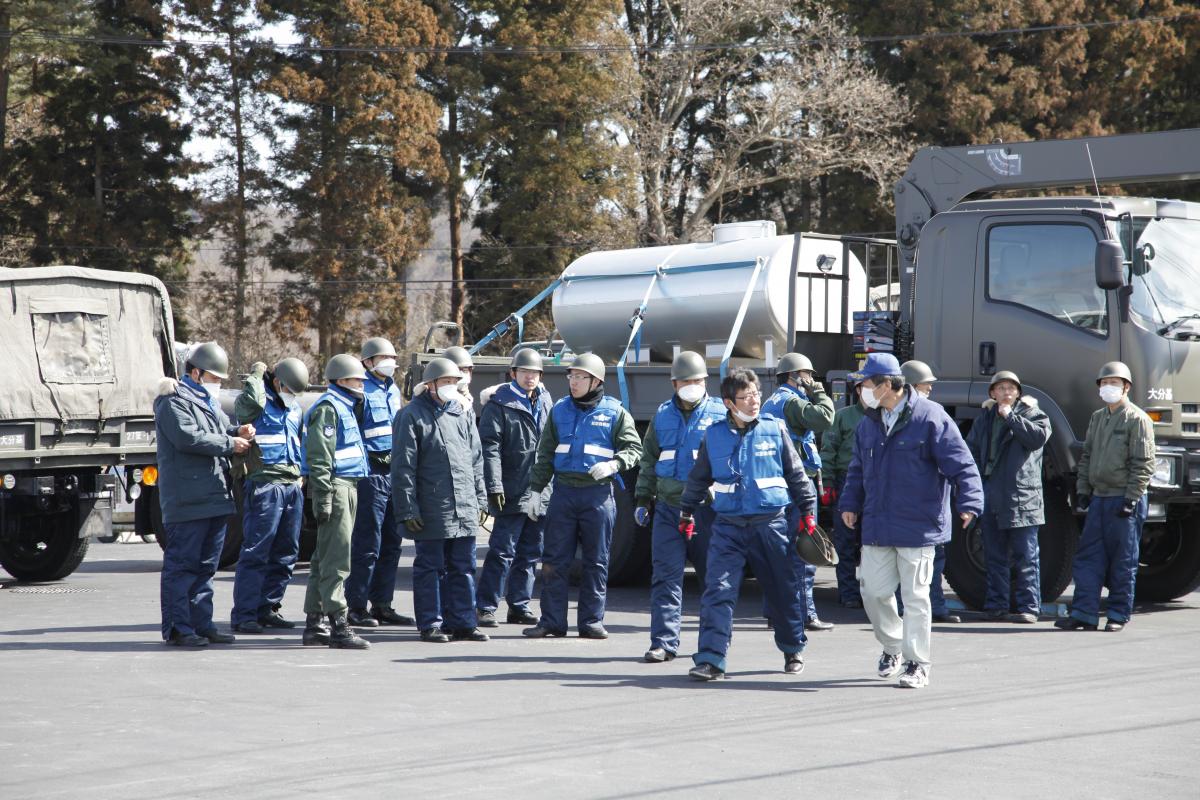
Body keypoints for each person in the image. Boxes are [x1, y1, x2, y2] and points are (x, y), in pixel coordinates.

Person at [840, 353, 983, 689]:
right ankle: (892, 646)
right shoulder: (868, 423)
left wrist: (970, 502)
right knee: (873, 592)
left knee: (916, 597)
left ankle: (917, 662)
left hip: (919, 526)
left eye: (865, 383)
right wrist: (850, 502)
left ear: (887, 385)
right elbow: (857, 469)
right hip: (878, 524)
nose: (860, 389)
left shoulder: (931, 417)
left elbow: (962, 464)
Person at [681, 368, 818, 681]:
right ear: (730, 403)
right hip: (728, 526)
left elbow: (796, 475)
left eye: (756, 394)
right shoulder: (713, 435)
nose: (754, 401)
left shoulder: (775, 429)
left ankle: (792, 647)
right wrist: (686, 513)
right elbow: (699, 478)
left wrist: (808, 512)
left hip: (771, 525)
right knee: (718, 589)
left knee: (783, 590)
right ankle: (711, 658)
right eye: (746, 397)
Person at [522, 353, 642, 639]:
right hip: (563, 493)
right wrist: (536, 491)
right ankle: (552, 621)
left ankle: (591, 621)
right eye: (571, 376)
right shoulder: (560, 410)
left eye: (579, 377)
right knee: (554, 560)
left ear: (596, 380)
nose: (573, 382)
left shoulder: (615, 413)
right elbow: (545, 454)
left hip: (597, 497)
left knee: (596, 561)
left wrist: (615, 464)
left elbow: (634, 450)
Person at [155, 341, 253, 647]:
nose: (218, 384)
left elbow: (224, 429)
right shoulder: (172, 401)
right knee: (182, 565)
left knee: (206, 567)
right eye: (214, 377)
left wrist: (240, 432)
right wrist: (229, 444)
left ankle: (202, 623)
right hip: (187, 499)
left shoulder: (207, 402)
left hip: (213, 495)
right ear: (195, 373)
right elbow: (188, 437)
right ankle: (178, 628)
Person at [634, 351, 725, 662]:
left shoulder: (720, 414)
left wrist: (724, 491)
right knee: (665, 576)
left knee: (713, 580)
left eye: (698, 380)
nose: (692, 386)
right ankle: (663, 642)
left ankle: (713, 647)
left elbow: (735, 458)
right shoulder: (662, 416)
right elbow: (649, 460)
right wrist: (643, 499)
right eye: (686, 381)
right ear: (674, 383)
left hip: (707, 511)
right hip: (669, 508)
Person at [393, 357, 489, 643]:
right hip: (433, 507)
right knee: (430, 567)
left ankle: (463, 622)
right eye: (446, 382)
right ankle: (431, 623)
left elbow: (476, 459)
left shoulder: (463, 413)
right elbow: (403, 467)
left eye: (454, 382)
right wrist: (407, 508)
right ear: (430, 385)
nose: (451, 387)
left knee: (464, 566)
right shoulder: (411, 416)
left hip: (464, 506)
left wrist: (480, 499)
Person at [1057, 361, 1155, 632]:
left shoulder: (1138, 420)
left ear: (1126, 387)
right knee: (1088, 558)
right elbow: (1087, 456)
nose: (1108, 387)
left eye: (1114, 383)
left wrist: (1132, 498)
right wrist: (1083, 491)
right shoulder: (1098, 417)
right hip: (1100, 498)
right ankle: (1084, 614)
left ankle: (1117, 614)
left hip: (1124, 499)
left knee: (1123, 560)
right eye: (1104, 383)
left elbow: (1144, 463)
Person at [229, 357, 309, 634]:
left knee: (287, 552)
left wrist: (302, 475)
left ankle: (268, 608)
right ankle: (245, 614)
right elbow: (248, 400)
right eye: (288, 388)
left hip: (291, 486)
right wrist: (258, 372)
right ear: (276, 382)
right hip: (265, 486)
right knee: (256, 552)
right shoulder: (257, 406)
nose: (292, 395)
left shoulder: (295, 408)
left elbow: (301, 442)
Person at [965, 371, 1051, 623]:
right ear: (992, 393)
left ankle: (1029, 607)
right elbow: (971, 451)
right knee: (994, 555)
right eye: (1000, 388)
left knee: (1026, 556)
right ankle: (996, 605)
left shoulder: (1034, 414)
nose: (1006, 393)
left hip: (1022, 496)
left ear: (1018, 393)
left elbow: (1037, 439)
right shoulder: (984, 419)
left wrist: (1011, 417)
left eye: (1011, 388)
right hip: (991, 493)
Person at [476, 348, 553, 628]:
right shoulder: (498, 404)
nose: (530, 377)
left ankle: (519, 605)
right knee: (502, 550)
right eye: (524, 372)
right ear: (513, 373)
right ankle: (485, 606)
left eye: (534, 373)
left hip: (539, 489)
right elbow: (490, 448)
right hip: (511, 488)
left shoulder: (545, 399)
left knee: (532, 551)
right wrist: (494, 485)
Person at [761, 352, 836, 632]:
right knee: (806, 549)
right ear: (796, 377)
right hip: (797, 483)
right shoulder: (793, 402)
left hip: (778, 481)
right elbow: (826, 418)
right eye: (809, 376)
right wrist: (819, 393)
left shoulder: (773, 401)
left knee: (779, 550)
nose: (812, 380)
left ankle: (773, 611)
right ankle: (805, 614)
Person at [301, 354, 371, 650]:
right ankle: (338, 624)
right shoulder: (329, 409)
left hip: (346, 486)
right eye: (357, 380)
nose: (361, 385)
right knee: (337, 558)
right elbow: (320, 457)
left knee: (323, 557)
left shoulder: (342, 407)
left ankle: (315, 623)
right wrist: (325, 494)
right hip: (337, 488)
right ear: (342, 381)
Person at [345, 337, 415, 629]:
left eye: (391, 357)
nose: (389, 362)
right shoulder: (360, 391)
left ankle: (382, 605)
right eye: (382, 357)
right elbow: (353, 432)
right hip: (371, 474)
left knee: (392, 542)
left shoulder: (393, 389)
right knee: (367, 543)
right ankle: (356, 606)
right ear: (367, 362)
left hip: (393, 474)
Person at [899, 359, 961, 624]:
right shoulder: (909, 417)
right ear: (912, 386)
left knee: (933, 558)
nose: (930, 390)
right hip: (915, 504)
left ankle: (933, 606)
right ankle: (916, 608)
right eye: (926, 386)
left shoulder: (929, 414)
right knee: (915, 560)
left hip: (930, 502)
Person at [817, 379, 866, 608]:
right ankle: (848, 592)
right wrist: (826, 483)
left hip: (875, 482)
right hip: (846, 480)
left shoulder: (884, 416)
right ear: (857, 390)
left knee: (874, 543)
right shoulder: (843, 416)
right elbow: (828, 450)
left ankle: (871, 592)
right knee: (845, 541)